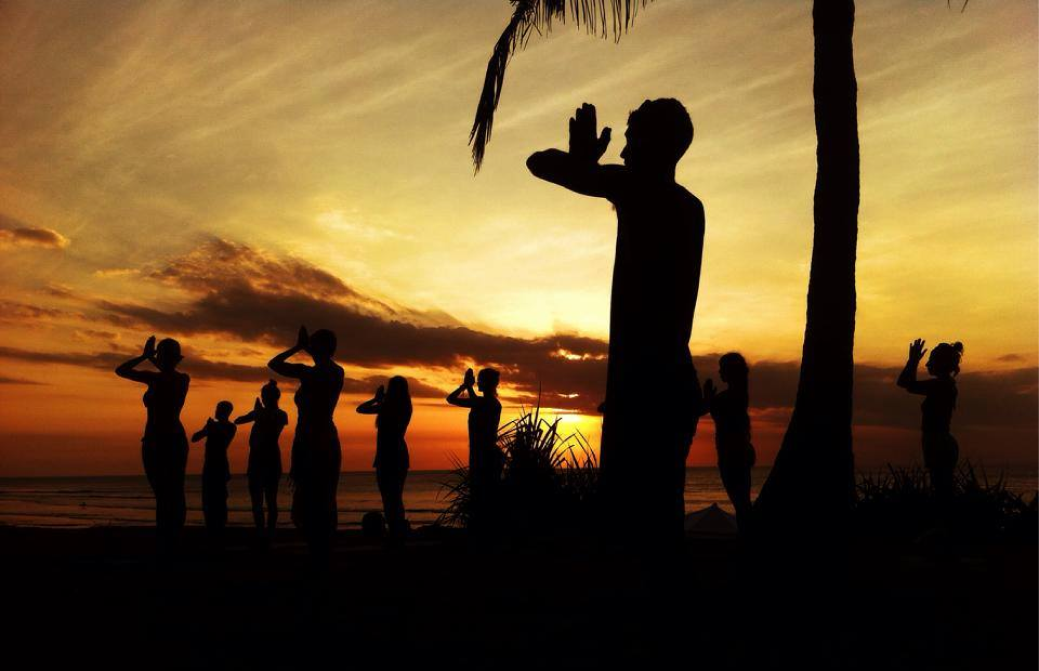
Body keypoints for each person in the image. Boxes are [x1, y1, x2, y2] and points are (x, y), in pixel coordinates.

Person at [527, 100, 704, 544]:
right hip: (669, 384)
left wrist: (582, 160)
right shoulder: (687, 206)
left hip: (645, 388)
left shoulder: (639, 190)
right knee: (660, 522)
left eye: (629, 141)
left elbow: (538, 163)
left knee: (634, 529)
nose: (621, 153)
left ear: (654, 145)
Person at [269, 326, 344, 559]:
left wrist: (299, 347)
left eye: (313, 344)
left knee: (315, 496)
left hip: (316, 439)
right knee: (318, 495)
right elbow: (274, 364)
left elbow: (274, 364)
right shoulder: (327, 371)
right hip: (316, 438)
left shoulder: (317, 373)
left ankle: (320, 549)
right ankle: (319, 548)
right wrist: (302, 347)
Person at [115, 336, 190, 552]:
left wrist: (145, 357)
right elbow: (121, 371)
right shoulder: (171, 378)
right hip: (159, 439)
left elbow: (122, 370)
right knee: (166, 491)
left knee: (171, 491)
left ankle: (171, 537)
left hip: (166, 439)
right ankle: (168, 536)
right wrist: (147, 357)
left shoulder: (171, 379)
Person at [897, 339, 963, 499]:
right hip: (938, 442)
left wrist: (913, 361)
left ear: (941, 363)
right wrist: (912, 361)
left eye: (931, 360)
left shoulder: (942, 385)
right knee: (941, 489)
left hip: (939, 443)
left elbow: (906, 383)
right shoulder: (944, 384)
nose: (927, 364)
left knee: (942, 491)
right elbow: (905, 384)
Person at [699, 353, 756, 533]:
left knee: (741, 504)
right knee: (742, 503)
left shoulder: (733, 396)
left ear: (731, 371)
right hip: (736, 453)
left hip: (733, 455)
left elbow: (707, 408)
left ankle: (748, 541)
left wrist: (708, 398)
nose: (719, 371)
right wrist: (709, 399)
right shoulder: (737, 394)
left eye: (723, 368)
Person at [356, 376, 412, 542]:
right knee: (394, 497)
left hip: (389, 454)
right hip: (396, 454)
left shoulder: (390, 407)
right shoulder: (403, 406)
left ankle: (397, 533)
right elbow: (361, 409)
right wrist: (378, 400)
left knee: (390, 497)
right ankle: (397, 532)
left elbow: (361, 409)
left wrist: (376, 399)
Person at [447, 367, 503, 532]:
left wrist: (465, 386)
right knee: (486, 494)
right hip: (487, 453)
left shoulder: (484, 402)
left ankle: (484, 532)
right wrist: (469, 387)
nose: (478, 382)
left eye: (480, 380)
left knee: (481, 494)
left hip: (483, 455)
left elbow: (451, 399)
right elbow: (474, 403)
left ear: (486, 383)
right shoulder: (489, 402)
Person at [234, 380, 288, 543]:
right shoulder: (263, 413)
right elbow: (238, 420)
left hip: (267, 459)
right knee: (261, 500)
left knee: (267, 500)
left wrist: (258, 412)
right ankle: (263, 532)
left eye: (265, 396)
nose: (264, 399)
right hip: (259, 459)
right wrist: (256, 412)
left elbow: (270, 426)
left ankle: (267, 532)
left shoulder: (279, 414)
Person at [191, 401, 237, 539]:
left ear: (225, 411)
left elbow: (224, 439)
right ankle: (211, 528)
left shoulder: (230, 427)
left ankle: (220, 528)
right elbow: (194, 438)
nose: (215, 411)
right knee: (207, 499)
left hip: (220, 465)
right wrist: (206, 429)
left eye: (218, 409)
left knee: (220, 499)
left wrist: (211, 428)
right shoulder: (212, 426)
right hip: (209, 465)